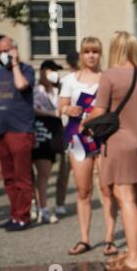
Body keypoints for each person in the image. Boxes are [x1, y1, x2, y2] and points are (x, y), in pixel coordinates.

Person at [83, 31, 137, 271]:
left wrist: (84, 123)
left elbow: (99, 111)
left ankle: (133, 259)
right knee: (136, 198)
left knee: (126, 199)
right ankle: (133, 252)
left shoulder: (109, 76)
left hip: (118, 144)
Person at [59, 37, 117, 256]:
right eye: (87, 52)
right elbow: (60, 106)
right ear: (81, 55)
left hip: (103, 139)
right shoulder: (70, 80)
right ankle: (84, 239)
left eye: (95, 51)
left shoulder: (107, 78)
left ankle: (110, 239)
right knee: (83, 191)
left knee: (106, 189)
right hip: (78, 139)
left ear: (100, 54)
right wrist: (67, 111)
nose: (91, 55)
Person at [0, 36, 36, 231]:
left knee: (22, 177)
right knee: (8, 177)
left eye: (6, 50)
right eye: (0, 51)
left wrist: (14, 63)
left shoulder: (26, 70)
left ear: (15, 50)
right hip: (1, 132)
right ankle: (14, 215)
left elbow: (22, 85)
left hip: (21, 131)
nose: (3, 54)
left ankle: (23, 217)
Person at [32, 60, 64, 224]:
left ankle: (39, 206)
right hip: (41, 132)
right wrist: (52, 113)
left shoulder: (57, 89)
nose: (54, 73)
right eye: (51, 70)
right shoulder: (37, 89)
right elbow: (33, 109)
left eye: (56, 71)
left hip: (54, 134)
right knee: (43, 174)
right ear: (43, 71)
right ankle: (42, 208)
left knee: (46, 174)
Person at [54, 50, 80, 217]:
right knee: (65, 167)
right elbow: (60, 107)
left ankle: (61, 202)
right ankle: (60, 202)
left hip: (83, 126)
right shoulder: (66, 81)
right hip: (69, 126)